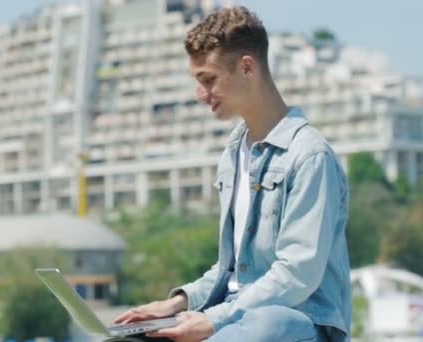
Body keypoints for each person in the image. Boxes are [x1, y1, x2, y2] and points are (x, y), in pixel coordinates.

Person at [114, 6, 351, 342]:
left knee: (263, 326)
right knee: (134, 338)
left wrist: (212, 320)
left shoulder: (310, 155)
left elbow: (298, 274)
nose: (200, 94)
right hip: (235, 317)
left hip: (299, 322)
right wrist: (179, 303)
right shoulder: (233, 153)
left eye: (207, 79)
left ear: (247, 67)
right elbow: (233, 270)